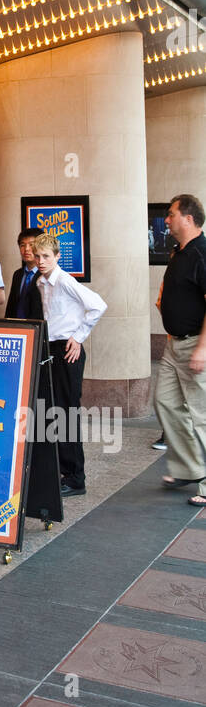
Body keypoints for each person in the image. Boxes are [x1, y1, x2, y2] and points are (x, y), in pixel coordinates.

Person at [33, 231, 107, 497]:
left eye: (46, 256)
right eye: (37, 256)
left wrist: (78, 337)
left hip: (67, 350)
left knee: (67, 413)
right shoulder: (41, 282)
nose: (41, 260)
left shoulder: (64, 280)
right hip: (52, 348)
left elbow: (98, 305)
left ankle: (76, 478)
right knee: (54, 412)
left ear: (57, 256)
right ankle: (63, 471)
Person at [153, 195, 206, 505]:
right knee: (166, 404)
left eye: (171, 214)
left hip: (194, 346)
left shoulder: (202, 253)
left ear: (188, 218)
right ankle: (190, 468)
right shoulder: (178, 253)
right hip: (174, 345)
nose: (167, 220)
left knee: (201, 414)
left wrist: (201, 348)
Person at [4, 228, 43, 319]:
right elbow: (11, 306)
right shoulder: (17, 274)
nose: (26, 249)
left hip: (39, 329)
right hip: (18, 329)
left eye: (31, 245)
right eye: (22, 245)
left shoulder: (46, 275)